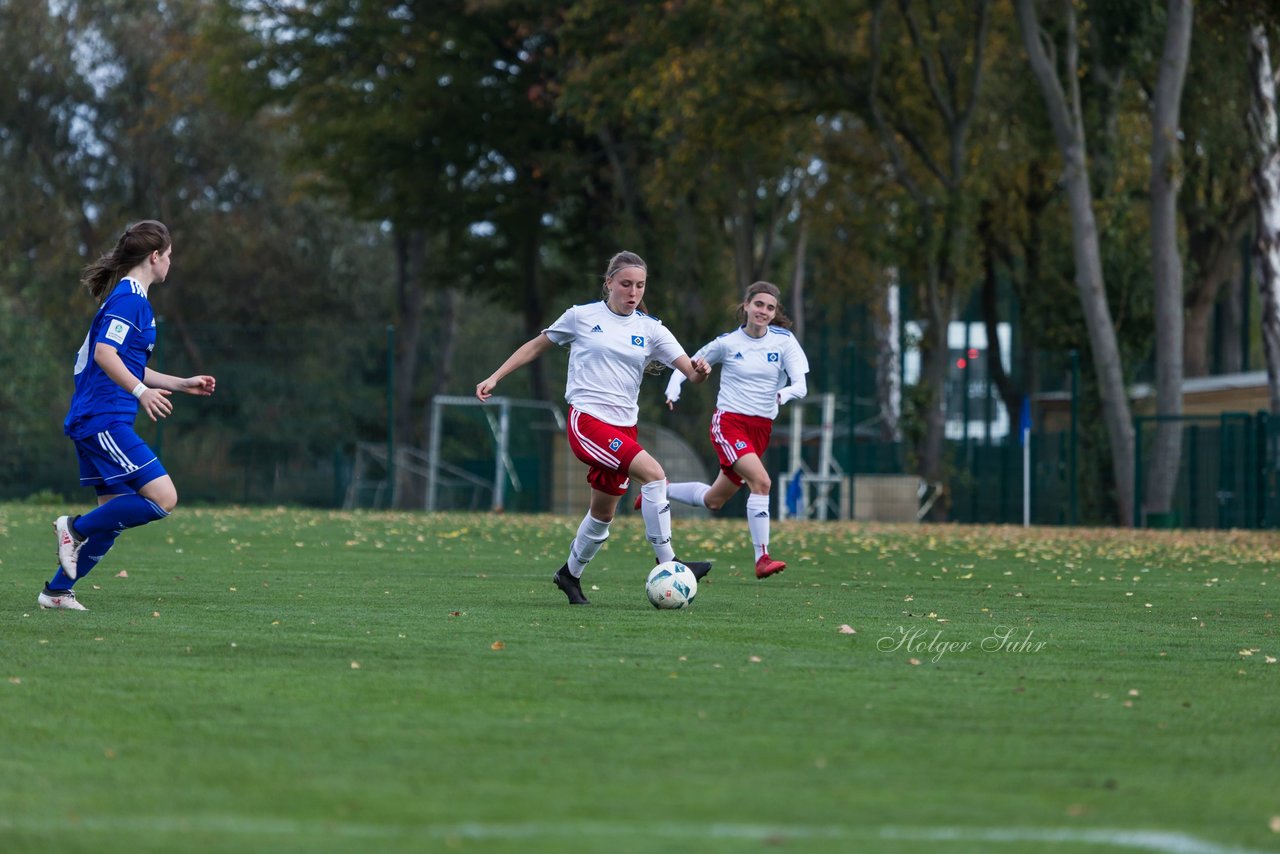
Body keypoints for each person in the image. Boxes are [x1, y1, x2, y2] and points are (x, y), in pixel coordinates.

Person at [476, 251, 714, 605]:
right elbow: (536, 346)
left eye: (640, 285)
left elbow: (690, 371)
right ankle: (670, 563)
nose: (633, 292)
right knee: (654, 475)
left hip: (624, 428)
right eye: (625, 284)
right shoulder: (582, 317)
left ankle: (569, 575)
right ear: (609, 284)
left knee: (603, 514)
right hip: (588, 422)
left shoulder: (651, 329)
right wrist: (495, 376)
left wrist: (701, 370)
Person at [41, 220, 217, 611]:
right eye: (169, 256)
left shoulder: (130, 299)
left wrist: (180, 384)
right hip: (103, 419)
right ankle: (73, 528)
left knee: (112, 520)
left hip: (97, 419)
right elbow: (106, 355)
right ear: (154, 257)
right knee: (163, 498)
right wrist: (141, 393)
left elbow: (128, 362)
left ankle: (55, 592)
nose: (171, 263)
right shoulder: (130, 300)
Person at [653, 281, 809, 579]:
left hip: (760, 429)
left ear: (775, 313)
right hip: (729, 423)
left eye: (770, 307)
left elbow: (800, 385)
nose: (763, 311)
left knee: (714, 499)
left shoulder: (784, 342)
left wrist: (783, 394)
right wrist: (674, 391)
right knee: (761, 482)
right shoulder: (726, 343)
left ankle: (661, 490)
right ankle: (762, 557)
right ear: (746, 306)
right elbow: (686, 366)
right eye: (759, 304)